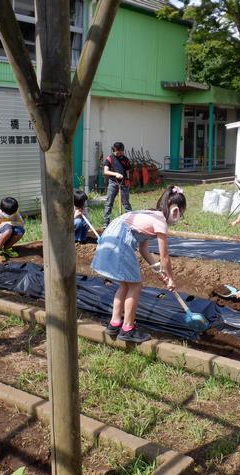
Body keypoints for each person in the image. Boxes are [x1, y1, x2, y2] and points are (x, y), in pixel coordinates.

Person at [91, 186, 186, 343]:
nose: (179, 217)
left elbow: (143, 249)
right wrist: (170, 278)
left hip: (111, 237)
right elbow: (165, 257)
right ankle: (128, 328)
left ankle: (114, 323)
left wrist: (158, 270)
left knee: (125, 285)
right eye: (181, 213)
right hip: (120, 242)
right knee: (135, 286)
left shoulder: (149, 214)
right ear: (175, 211)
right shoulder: (160, 221)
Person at [102, 141, 133, 228]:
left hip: (123, 183)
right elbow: (105, 171)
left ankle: (131, 223)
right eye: (117, 151)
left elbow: (127, 171)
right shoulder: (109, 158)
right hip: (113, 183)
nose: (119, 153)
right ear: (113, 150)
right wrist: (115, 174)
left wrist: (127, 180)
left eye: (121, 151)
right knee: (109, 202)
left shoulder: (125, 160)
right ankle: (105, 223)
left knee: (126, 203)